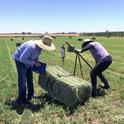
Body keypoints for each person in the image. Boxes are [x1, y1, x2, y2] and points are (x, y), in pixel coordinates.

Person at [13, 35, 56, 104]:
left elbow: (35, 57)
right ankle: (22, 100)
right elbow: (22, 59)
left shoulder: (39, 48)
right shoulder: (31, 47)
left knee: (30, 78)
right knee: (22, 80)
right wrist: (34, 63)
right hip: (19, 60)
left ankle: (31, 95)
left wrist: (37, 64)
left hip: (28, 60)